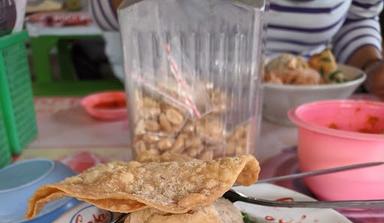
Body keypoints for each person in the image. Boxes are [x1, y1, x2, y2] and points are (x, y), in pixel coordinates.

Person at [89, 0, 384, 98]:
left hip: (303, 120)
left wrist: (371, 65)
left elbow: (359, 17)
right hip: (175, 105)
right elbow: (106, 13)